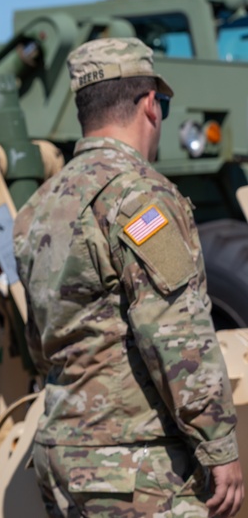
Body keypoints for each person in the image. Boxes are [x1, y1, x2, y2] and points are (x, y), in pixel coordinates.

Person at [13, 37, 243, 518]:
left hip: (60, 457)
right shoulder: (141, 199)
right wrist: (219, 444)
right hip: (135, 465)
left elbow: (40, 342)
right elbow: (176, 332)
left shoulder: (39, 208)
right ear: (150, 106)